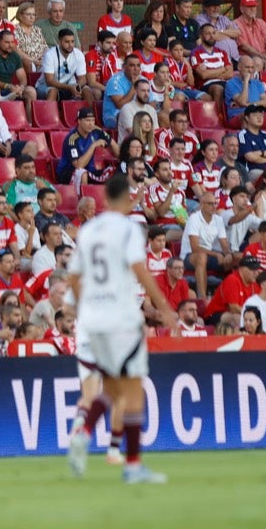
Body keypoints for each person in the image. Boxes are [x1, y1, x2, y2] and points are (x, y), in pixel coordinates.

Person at [65, 173, 176, 484]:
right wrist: (164, 308)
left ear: (104, 197)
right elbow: (140, 270)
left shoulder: (87, 230)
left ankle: (83, 433)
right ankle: (133, 465)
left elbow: (74, 276)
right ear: (129, 197)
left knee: (113, 389)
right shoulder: (127, 228)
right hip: (121, 317)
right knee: (133, 389)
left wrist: (87, 303)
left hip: (94, 320)